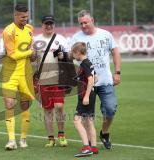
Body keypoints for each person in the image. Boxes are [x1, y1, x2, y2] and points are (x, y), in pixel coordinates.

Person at [69, 10, 121, 149]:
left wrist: (117, 72)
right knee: (87, 117)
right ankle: (91, 145)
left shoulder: (105, 34)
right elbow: (70, 57)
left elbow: (115, 52)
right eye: (81, 23)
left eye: (86, 22)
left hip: (105, 81)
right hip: (86, 85)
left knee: (110, 109)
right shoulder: (76, 38)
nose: (83, 25)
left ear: (92, 20)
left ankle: (104, 133)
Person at [1, 4, 35, 150]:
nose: (25, 19)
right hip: (10, 73)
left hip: (25, 73)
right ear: (15, 15)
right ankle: (11, 140)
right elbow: (12, 54)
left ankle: (23, 138)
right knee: (9, 105)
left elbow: (30, 51)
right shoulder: (8, 31)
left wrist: (33, 54)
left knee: (25, 106)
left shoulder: (30, 29)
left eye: (27, 16)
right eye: (22, 17)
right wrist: (29, 52)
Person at [33, 15, 69, 147]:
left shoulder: (61, 39)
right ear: (42, 25)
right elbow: (32, 61)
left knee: (59, 107)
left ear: (54, 25)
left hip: (59, 79)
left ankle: (61, 134)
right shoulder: (36, 40)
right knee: (48, 110)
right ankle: (51, 138)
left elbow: (70, 57)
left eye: (51, 24)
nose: (49, 26)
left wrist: (63, 55)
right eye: (46, 24)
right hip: (43, 80)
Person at [70, 42, 98, 157]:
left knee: (77, 121)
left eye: (73, 53)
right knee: (89, 121)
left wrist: (86, 95)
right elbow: (96, 77)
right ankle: (94, 147)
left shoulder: (84, 64)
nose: (73, 56)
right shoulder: (89, 62)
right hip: (91, 94)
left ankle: (86, 147)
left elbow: (91, 80)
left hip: (85, 96)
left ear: (78, 52)